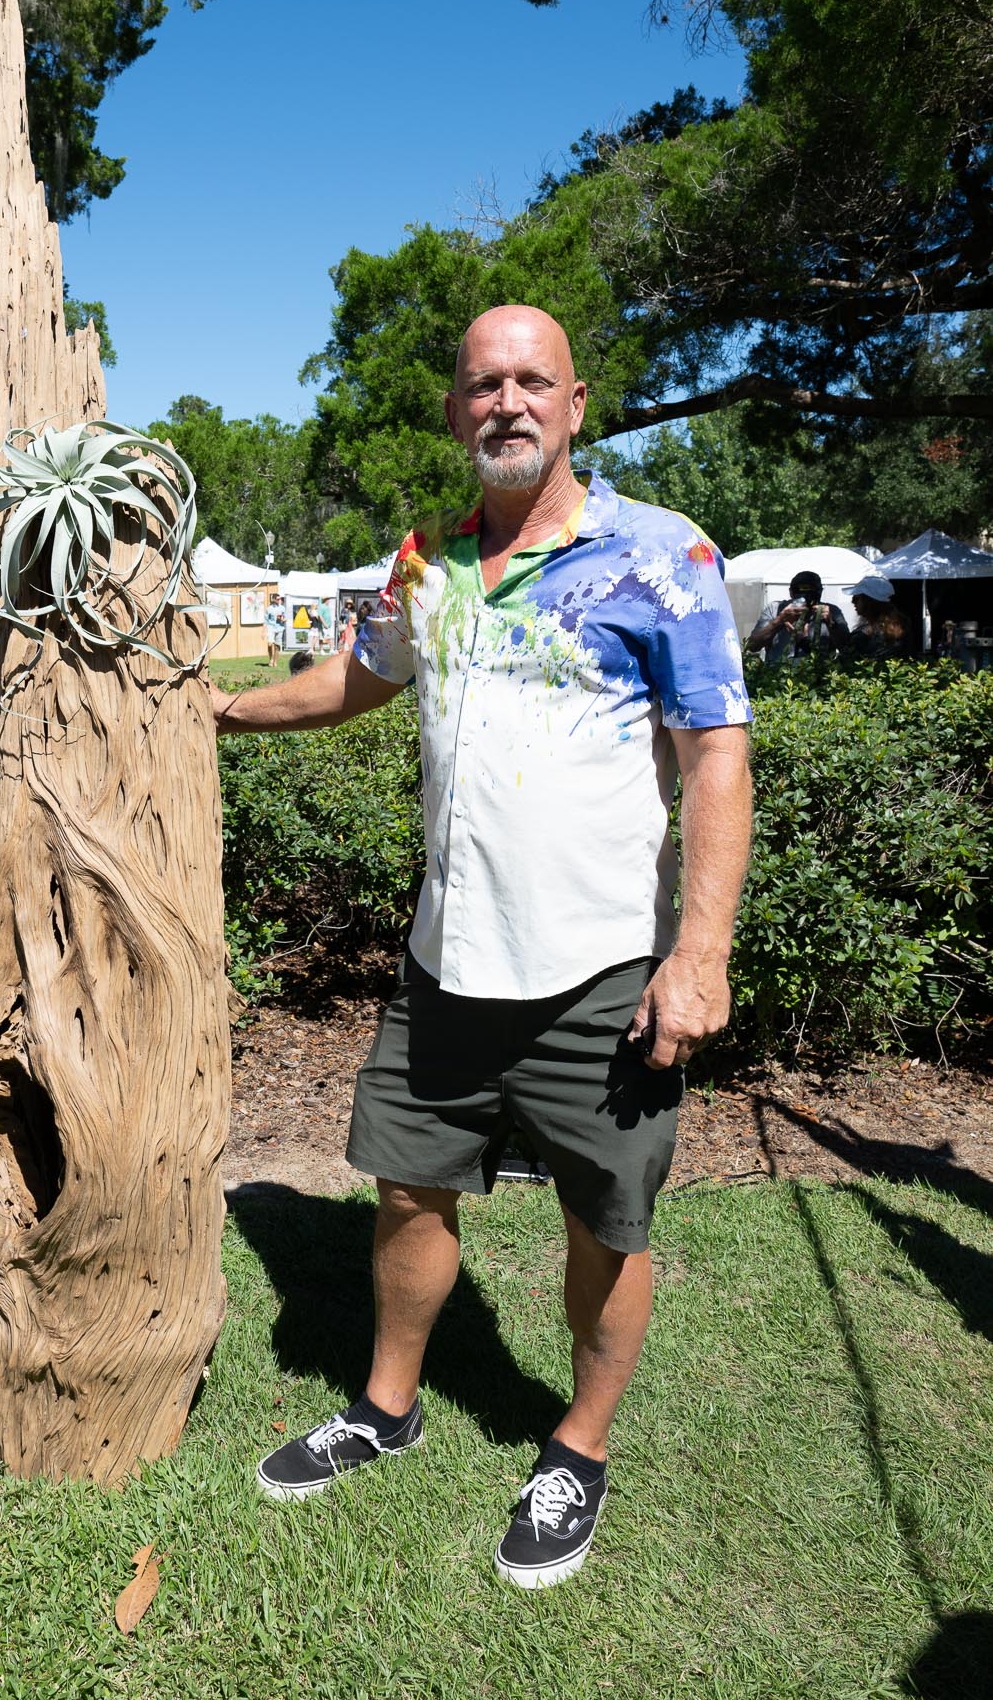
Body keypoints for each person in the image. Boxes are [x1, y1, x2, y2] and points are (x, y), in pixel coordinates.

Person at [210, 303, 753, 1591]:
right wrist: (215, 706)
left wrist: (700, 953)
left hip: (602, 974)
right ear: (458, 412)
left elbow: (715, 752)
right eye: (482, 385)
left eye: (532, 382)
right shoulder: (430, 559)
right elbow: (356, 680)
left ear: (575, 404)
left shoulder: (662, 556)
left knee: (605, 1222)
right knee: (408, 1191)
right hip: (446, 965)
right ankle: (386, 1405)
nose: (506, 402)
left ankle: (577, 1443)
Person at [746, 571, 848, 662]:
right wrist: (779, 621)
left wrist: (832, 624)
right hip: (779, 677)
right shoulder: (775, 609)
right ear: (791, 592)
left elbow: (847, 648)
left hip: (817, 676)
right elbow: (752, 646)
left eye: (811, 594)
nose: (806, 600)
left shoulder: (831, 611)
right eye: (802, 594)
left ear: (820, 592)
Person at [845, 575, 910, 659]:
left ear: (870, 602)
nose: (852, 601)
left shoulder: (866, 633)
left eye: (857, 598)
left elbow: (847, 657)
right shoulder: (901, 625)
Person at [263, 596, 284, 668]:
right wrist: (263, 631)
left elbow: (285, 618)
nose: (279, 600)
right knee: (270, 644)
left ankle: (275, 662)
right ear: (273, 599)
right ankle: (271, 659)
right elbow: (265, 620)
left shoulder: (282, 608)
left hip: (279, 628)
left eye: (280, 599)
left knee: (277, 646)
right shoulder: (269, 609)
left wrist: (282, 619)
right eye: (278, 599)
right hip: (271, 628)